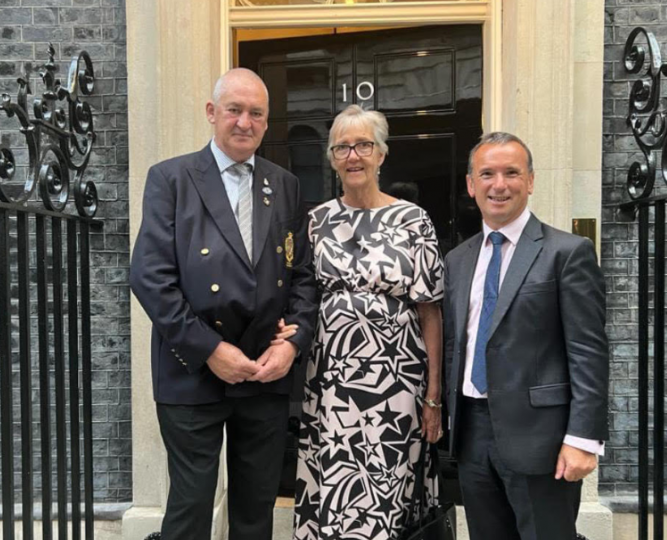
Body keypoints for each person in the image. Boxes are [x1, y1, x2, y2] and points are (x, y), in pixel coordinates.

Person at [129, 68, 318, 540]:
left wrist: (292, 345)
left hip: (264, 371)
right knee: (190, 508)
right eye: (234, 109)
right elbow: (149, 276)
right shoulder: (172, 178)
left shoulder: (286, 185)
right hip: (192, 370)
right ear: (212, 113)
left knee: (255, 511)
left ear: (267, 122)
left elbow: (304, 277)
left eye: (256, 113)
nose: (244, 122)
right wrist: (210, 350)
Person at [442, 132, 609, 539]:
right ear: (470, 184)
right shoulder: (458, 260)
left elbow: (588, 351)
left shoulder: (567, 252)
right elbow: (455, 346)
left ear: (530, 181)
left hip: (543, 440)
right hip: (472, 435)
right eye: (487, 174)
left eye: (511, 173)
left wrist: (584, 438)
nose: (499, 184)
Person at [290, 105, 445, 540]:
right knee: (334, 481)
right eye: (342, 147)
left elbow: (430, 310)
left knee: (390, 485)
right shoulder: (315, 221)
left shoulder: (413, 220)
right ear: (332, 157)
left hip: (397, 384)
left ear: (381, 154)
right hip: (332, 384)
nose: (353, 156)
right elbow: (298, 292)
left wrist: (433, 397)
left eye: (363, 145)